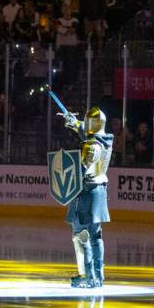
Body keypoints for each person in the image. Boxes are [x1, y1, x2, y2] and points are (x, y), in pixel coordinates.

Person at [62, 107, 113, 288]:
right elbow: (83, 130)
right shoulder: (106, 140)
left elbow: (81, 170)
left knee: (80, 236)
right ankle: (98, 276)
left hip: (86, 192)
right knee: (96, 236)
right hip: (100, 191)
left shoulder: (90, 145)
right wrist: (74, 123)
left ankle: (87, 276)